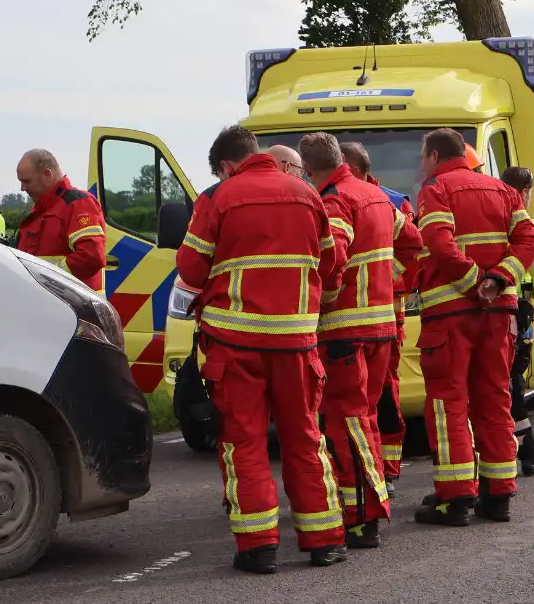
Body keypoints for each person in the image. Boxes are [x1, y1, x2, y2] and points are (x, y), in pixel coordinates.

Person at [176, 125, 347, 573]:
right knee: (305, 437)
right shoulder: (309, 196)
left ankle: (258, 548)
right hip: (296, 343)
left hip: (236, 344)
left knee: (244, 442)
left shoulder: (219, 198)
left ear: (227, 166)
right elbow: (331, 267)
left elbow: (191, 268)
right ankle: (325, 540)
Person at [413, 128, 534, 526]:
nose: (422, 165)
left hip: (451, 317)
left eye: (423, 157)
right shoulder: (502, 190)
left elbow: (438, 242)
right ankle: (498, 494)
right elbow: (531, 241)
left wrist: (473, 283)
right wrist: (499, 279)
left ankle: (455, 499)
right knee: (495, 400)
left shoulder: (435, 189)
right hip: (499, 314)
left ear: (434, 156)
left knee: (449, 404)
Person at [300, 133, 421, 548]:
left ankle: (361, 516)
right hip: (382, 326)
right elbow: (414, 244)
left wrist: (325, 299)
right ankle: (365, 506)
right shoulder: (378, 198)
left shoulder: (335, 201)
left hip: (344, 331)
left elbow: (332, 261)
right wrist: (392, 284)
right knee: (365, 416)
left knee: (346, 421)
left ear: (311, 170)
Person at [338, 141, 420, 490]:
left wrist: (384, 277)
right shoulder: (389, 200)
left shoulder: (388, 200)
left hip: (370, 316)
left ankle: (383, 467)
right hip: (383, 316)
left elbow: (411, 254)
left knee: (376, 397)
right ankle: (382, 467)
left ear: (351, 168)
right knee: (376, 396)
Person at [499, 166, 534, 475]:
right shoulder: (524, 223)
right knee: (510, 384)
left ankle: (527, 449)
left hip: (478, 311)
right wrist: (529, 285)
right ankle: (523, 451)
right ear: (522, 192)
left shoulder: (483, 216)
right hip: (514, 311)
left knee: (504, 385)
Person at [15, 149, 106, 292]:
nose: (22, 188)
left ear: (47, 174)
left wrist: (45, 279)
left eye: (26, 181)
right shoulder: (41, 209)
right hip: (51, 303)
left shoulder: (78, 203)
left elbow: (91, 257)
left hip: (74, 306)